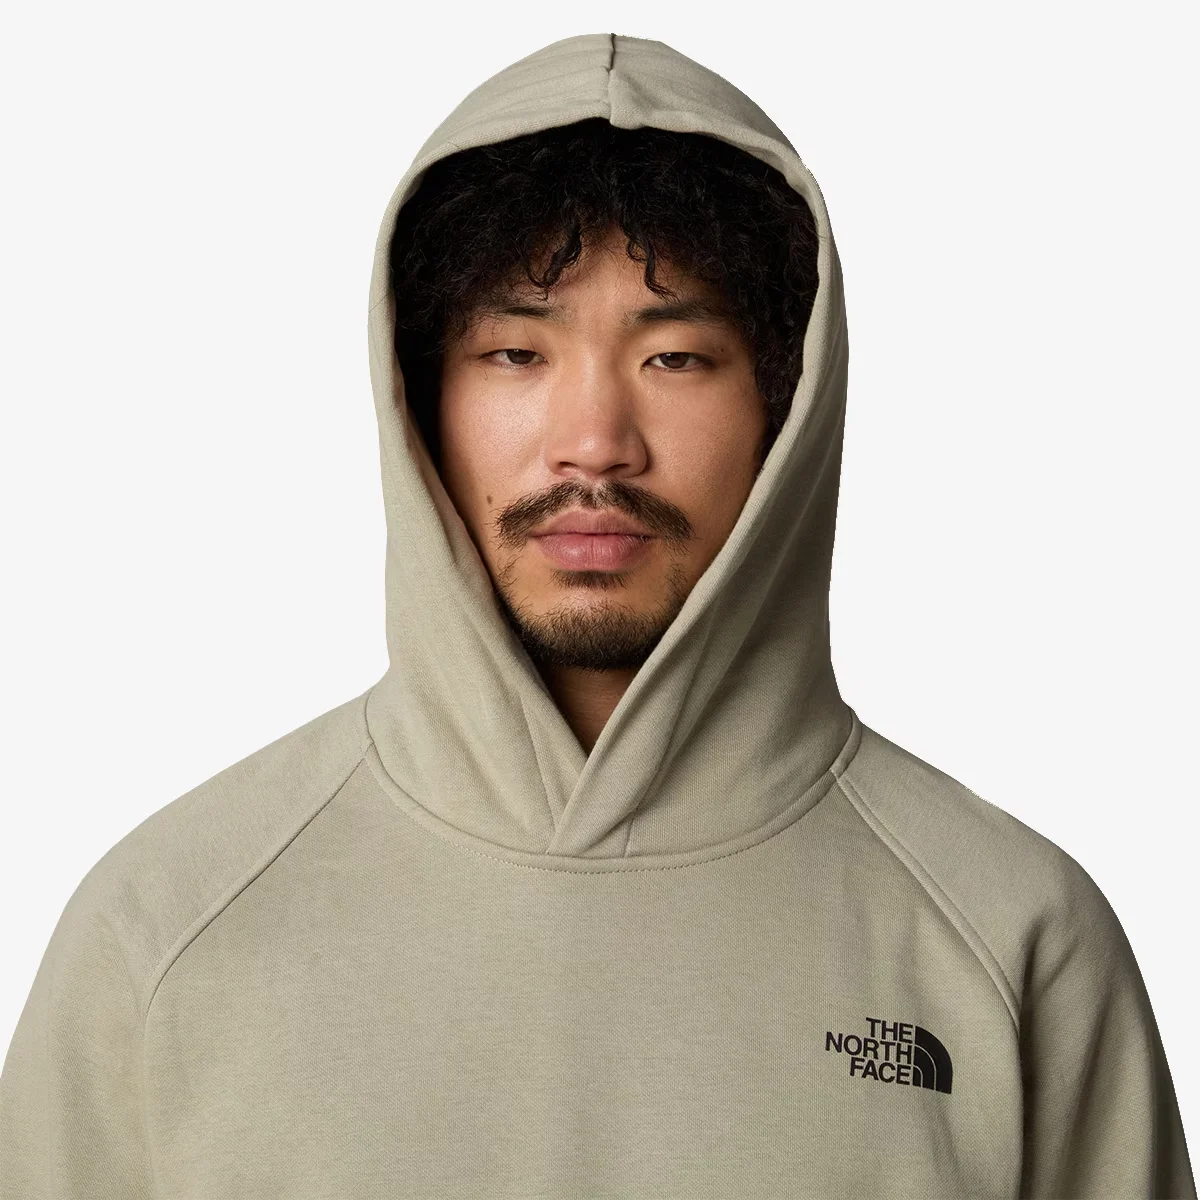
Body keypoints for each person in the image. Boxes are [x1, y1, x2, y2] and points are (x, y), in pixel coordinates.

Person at [0, 31, 1193, 1198]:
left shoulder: (1012, 935)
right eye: (515, 353)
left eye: (676, 358)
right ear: (419, 399)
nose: (594, 444)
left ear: (789, 405)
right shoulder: (163, 931)